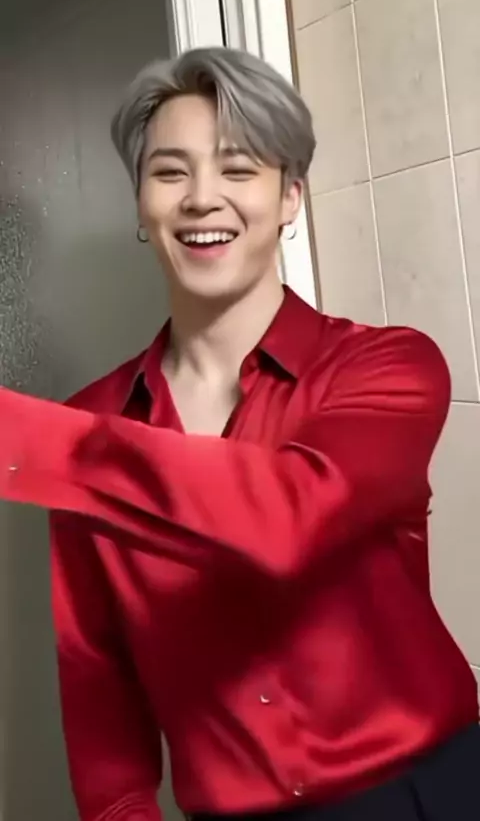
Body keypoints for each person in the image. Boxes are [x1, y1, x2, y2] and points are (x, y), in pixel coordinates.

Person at [0, 46, 478, 821]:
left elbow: (293, 516)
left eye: (238, 168)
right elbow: (97, 682)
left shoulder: (387, 367)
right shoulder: (89, 423)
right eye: (169, 172)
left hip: (429, 795)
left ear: (290, 196)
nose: (201, 198)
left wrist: (27, 440)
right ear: (140, 205)